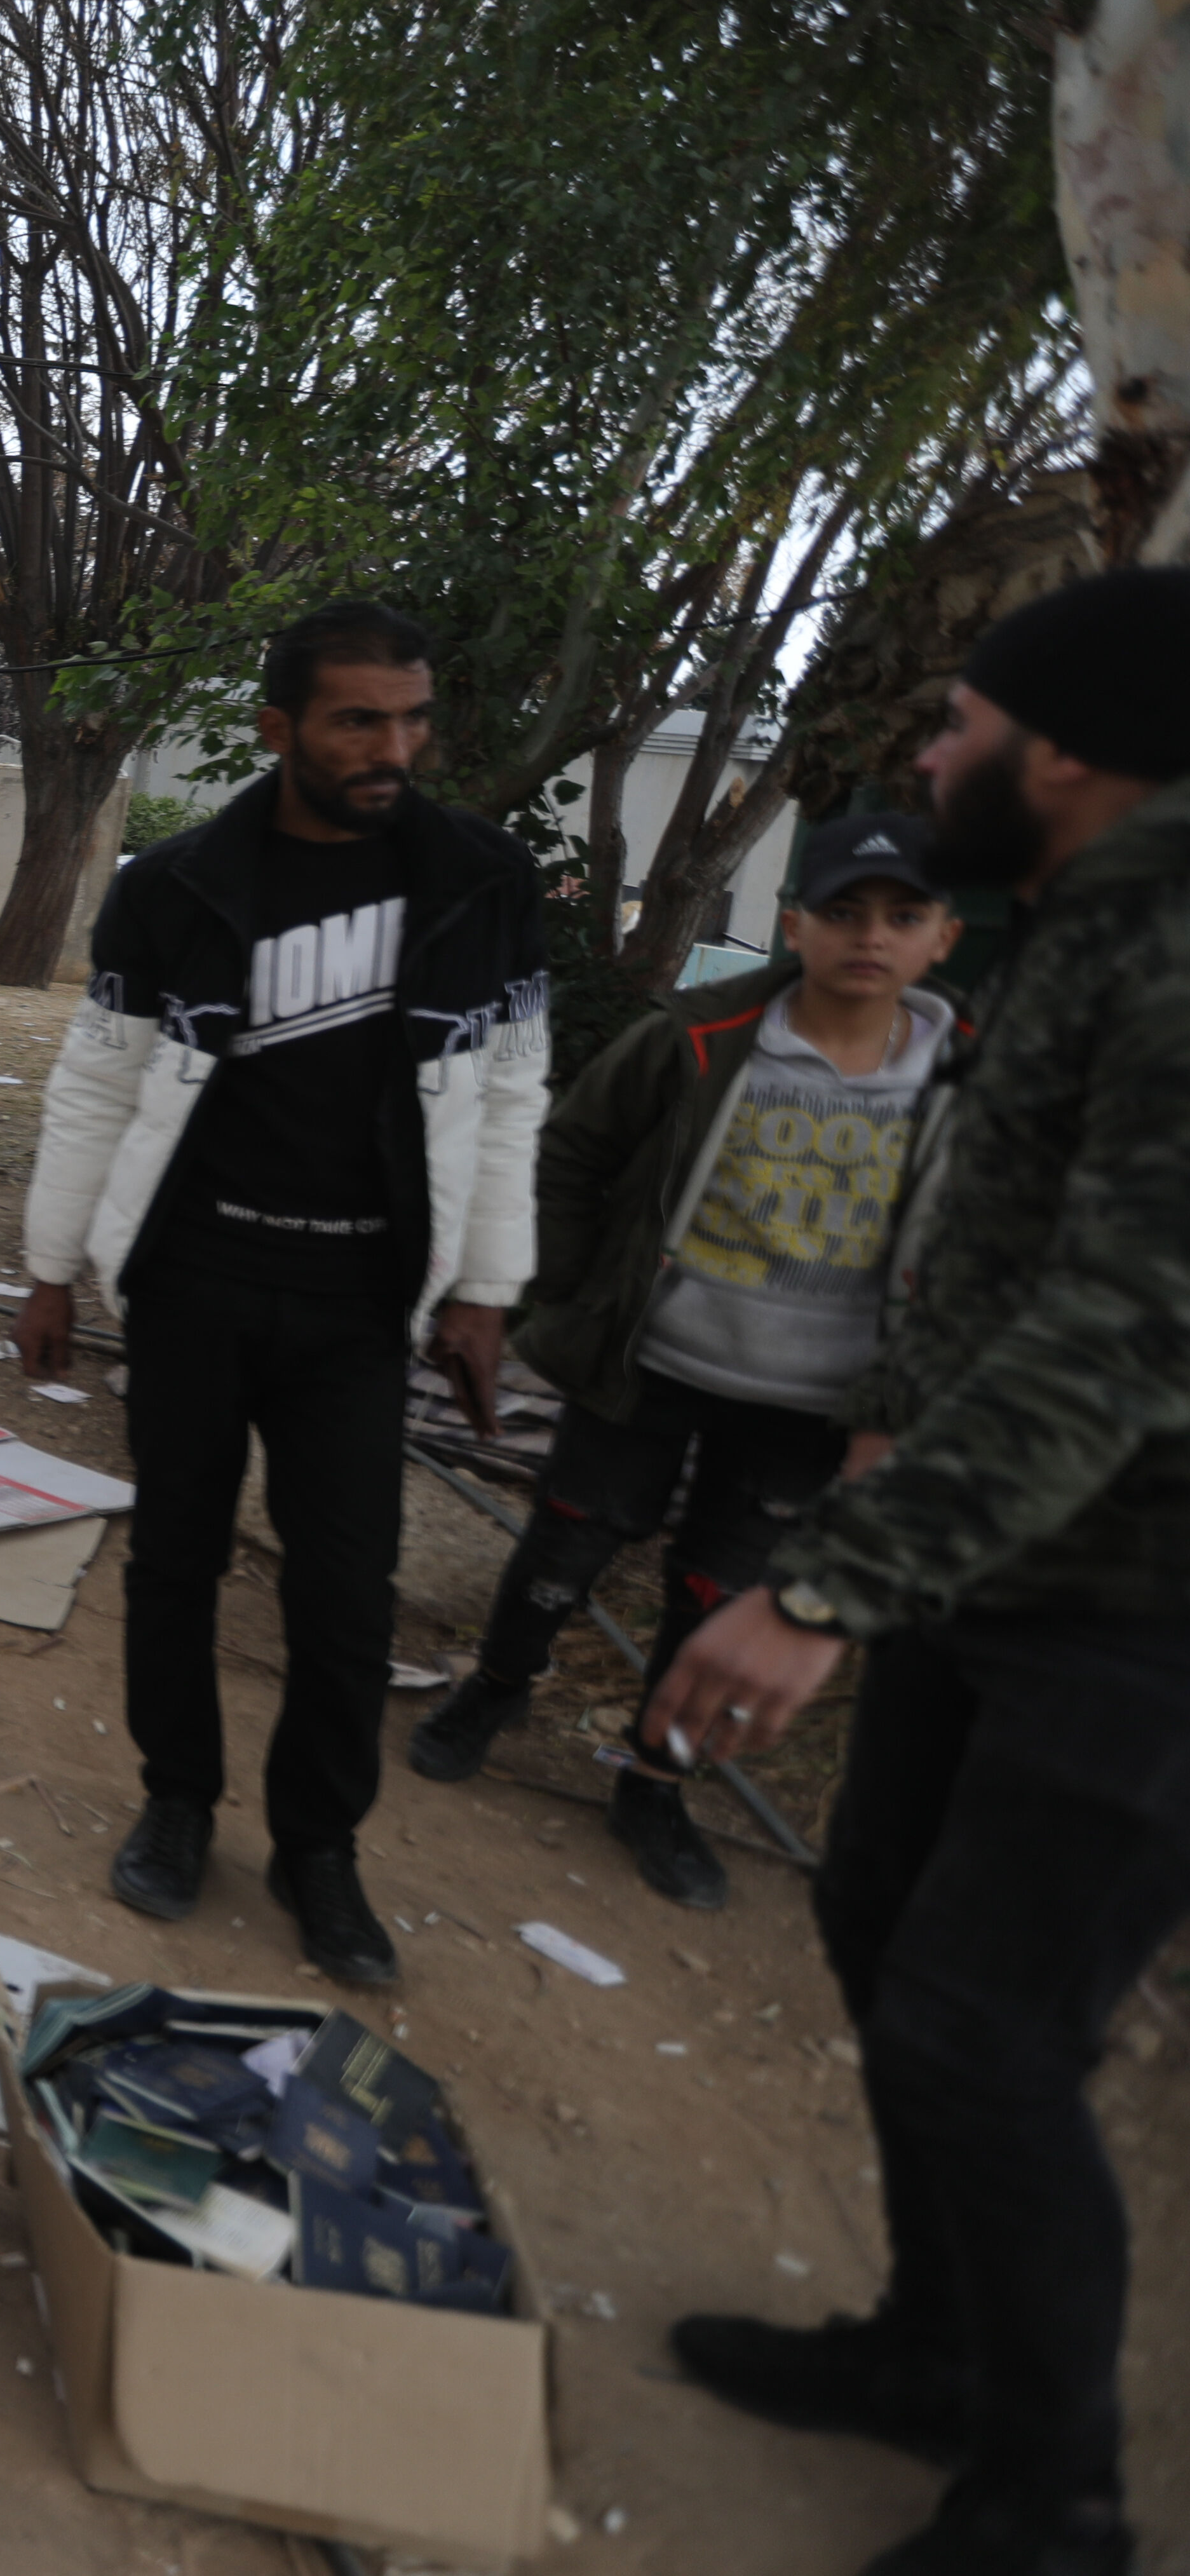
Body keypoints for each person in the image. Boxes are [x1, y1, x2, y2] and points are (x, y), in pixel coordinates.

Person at [647, 569, 1190, 2576]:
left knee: (984, 2022)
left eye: (958, 725)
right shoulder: (1087, 930)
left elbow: (1128, 1327)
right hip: (1000, 1562)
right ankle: (935, 2352)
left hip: (1139, 1611)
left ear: (1061, 750)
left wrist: (812, 1584)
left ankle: (1052, 2503)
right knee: (884, 1936)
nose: (930, 756)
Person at [11, 601, 550, 1989]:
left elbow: (506, 1099)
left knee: (347, 1595)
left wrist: (487, 1289)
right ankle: (178, 1798)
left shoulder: (479, 882)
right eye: (357, 719)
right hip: (194, 1280)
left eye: (413, 717)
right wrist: (51, 1265)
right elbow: (99, 1082)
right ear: (279, 729)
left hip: (363, 1301)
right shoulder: (177, 885)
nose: (393, 747)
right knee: (176, 1558)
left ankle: (322, 1846)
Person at [408, 815, 963, 1911]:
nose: (871, 937)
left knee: (722, 1591)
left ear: (943, 938)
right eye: (844, 912)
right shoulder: (700, 1036)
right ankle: (498, 1687)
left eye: (904, 917)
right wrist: (543, 1297)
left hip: (812, 1401)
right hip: (653, 1360)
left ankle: (655, 1779)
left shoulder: (967, 1081)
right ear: (794, 922)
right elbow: (576, 1151)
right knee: (569, 1537)